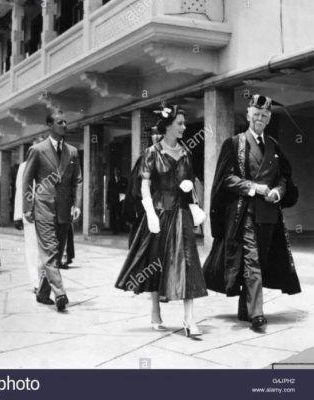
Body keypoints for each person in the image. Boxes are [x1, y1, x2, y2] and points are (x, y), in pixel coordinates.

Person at [203, 94, 301, 331]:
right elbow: (225, 179)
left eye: (264, 115)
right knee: (252, 260)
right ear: (248, 115)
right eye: (256, 114)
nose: (260, 118)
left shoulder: (274, 146)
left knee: (260, 260)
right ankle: (257, 313)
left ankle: (245, 307)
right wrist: (253, 187)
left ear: (268, 119)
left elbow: (283, 177)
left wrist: (278, 191)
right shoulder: (234, 143)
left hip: (268, 215)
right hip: (244, 213)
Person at [115, 105, 207, 337]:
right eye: (180, 124)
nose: (184, 128)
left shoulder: (186, 153)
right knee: (155, 264)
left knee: (188, 263)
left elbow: (190, 184)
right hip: (159, 213)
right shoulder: (151, 153)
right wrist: (150, 213)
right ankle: (155, 312)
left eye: (184, 124)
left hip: (181, 214)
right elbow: (145, 186)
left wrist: (194, 205)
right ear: (167, 127)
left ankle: (189, 319)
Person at [22, 110, 82, 312]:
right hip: (43, 208)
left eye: (66, 121)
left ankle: (42, 292)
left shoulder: (72, 152)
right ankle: (60, 293)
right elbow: (27, 180)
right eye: (60, 122)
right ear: (50, 125)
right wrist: (27, 207)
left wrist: (77, 204)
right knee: (49, 252)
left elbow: (77, 181)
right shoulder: (37, 150)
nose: (64, 124)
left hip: (64, 209)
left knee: (56, 254)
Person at [14, 136, 46, 292]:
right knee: (32, 250)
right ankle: (36, 282)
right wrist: (18, 215)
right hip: (30, 214)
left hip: (47, 214)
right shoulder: (24, 167)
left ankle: (44, 280)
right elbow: (20, 190)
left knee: (46, 250)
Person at [107, 167, 128, 234]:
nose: (116, 172)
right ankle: (114, 230)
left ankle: (122, 228)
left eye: (118, 171)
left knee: (121, 215)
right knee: (113, 215)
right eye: (115, 171)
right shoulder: (111, 181)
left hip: (121, 200)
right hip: (113, 200)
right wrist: (108, 202)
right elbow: (108, 192)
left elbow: (126, 190)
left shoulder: (124, 180)